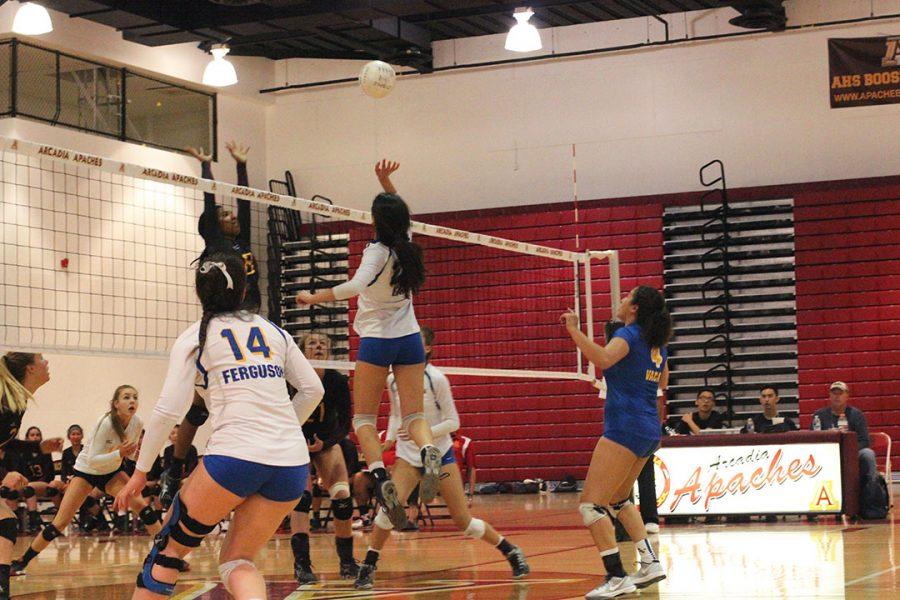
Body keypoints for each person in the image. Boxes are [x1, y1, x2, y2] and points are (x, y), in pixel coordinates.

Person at [113, 251, 324, 599]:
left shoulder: (196, 336)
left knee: (168, 551)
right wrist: (282, 428)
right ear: (244, 291)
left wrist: (140, 472)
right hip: (291, 464)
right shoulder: (273, 331)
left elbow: (168, 411)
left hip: (234, 458)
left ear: (200, 293)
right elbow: (312, 389)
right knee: (237, 560)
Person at [296, 159, 440, 529]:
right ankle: (427, 451)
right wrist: (386, 182)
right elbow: (399, 214)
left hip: (377, 340)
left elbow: (353, 287)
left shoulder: (376, 252)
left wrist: (315, 297)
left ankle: (379, 476)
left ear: (375, 221)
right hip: (409, 337)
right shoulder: (406, 245)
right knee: (415, 417)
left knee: (362, 419)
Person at [355, 326, 529, 590]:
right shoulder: (392, 379)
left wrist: (424, 434)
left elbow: (453, 421)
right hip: (408, 455)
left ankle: (510, 550)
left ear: (425, 348)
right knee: (390, 507)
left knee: (462, 521)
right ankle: (368, 565)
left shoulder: (436, 379)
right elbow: (394, 413)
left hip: (439, 451)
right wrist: (389, 438)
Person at [156, 141, 259, 509]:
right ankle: (175, 467)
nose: (233, 218)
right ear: (214, 226)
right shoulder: (215, 245)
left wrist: (242, 165)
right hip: (220, 327)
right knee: (200, 406)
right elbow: (208, 200)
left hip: (253, 325)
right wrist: (206, 169)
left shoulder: (242, 240)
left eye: (233, 216)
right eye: (226, 216)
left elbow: (245, 200)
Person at [561, 286, 671, 598]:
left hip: (625, 427)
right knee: (619, 500)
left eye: (627, 296)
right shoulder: (656, 343)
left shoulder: (630, 334)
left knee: (590, 505)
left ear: (634, 308)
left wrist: (574, 331)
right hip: (648, 428)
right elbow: (663, 380)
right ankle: (649, 562)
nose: (622, 299)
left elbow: (603, 358)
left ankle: (616, 576)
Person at [12, 385, 162, 574]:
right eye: (126, 397)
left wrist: (136, 454)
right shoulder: (106, 423)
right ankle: (21, 561)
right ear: (116, 404)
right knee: (59, 523)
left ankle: (167, 557)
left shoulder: (137, 422)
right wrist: (119, 453)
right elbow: (93, 459)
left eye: (134, 397)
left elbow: (128, 456)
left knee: (143, 508)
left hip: (111, 472)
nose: (132, 401)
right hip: (86, 471)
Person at [290, 332, 359, 585]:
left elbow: (346, 422)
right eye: (312, 343)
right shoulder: (290, 379)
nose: (318, 346)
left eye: (323, 344)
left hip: (327, 440)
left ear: (329, 351)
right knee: (302, 500)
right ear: (302, 350)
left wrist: (326, 443)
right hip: (295, 441)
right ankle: (302, 565)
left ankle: (348, 561)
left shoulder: (337, 380)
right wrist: (297, 442)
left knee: (342, 498)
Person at [0, 353, 63, 600]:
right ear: (30, 368)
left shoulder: (16, 402)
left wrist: (37, 448)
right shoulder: (5, 403)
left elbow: (5, 441)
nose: (46, 362)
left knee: (5, 521)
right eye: (41, 359)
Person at [811, 382, 876, 485]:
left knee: (868, 454)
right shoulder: (819, 416)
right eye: (834, 393)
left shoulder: (856, 415)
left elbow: (864, 441)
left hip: (852, 453)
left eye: (840, 393)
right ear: (830, 396)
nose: (837, 396)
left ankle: (870, 490)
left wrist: (848, 451)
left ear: (847, 396)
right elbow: (812, 439)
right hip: (826, 453)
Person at [17, 427, 65, 532]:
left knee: (32, 488)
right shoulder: (22, 455)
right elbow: (21, 472)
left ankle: (60, 516)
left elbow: (50, 474)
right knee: (26, 489)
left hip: (43, 484)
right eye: (32, 435)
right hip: (27, 485)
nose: (35, 437)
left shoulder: (46, 453)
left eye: (37, 435)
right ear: (27, 438)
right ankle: (34, 521)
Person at [450, 431, 477, 499]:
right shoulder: (434, 441)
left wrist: (470, 495)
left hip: (457, 486)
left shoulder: (465, 442)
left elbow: (471, 468)